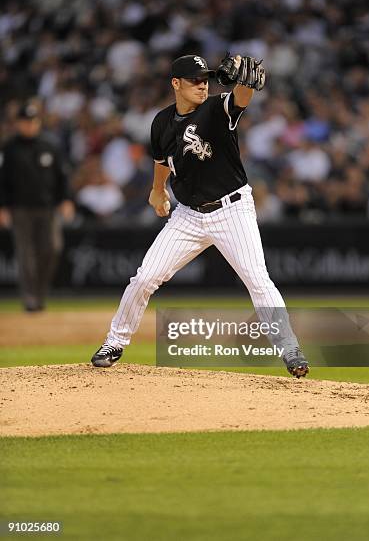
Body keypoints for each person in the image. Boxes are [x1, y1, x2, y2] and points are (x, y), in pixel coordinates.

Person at [91, 54, 309, 377]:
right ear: (175, 84)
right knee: (145, 277)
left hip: (232, 209)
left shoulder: (216, 109)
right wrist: (156, 191)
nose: (202, 83)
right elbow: (161, 161)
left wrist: (244, 82)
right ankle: (114, 341)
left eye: (205, 77)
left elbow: (241, 99)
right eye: (195, 79)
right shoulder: (161, 123)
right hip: (188, 216)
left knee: (258, 280)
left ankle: (289, 347)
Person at [0, 101, 75, 311]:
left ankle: (40, 294)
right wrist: (3, 206)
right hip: (20, 209)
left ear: (38, 122)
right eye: (25, 122)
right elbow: (3, 179)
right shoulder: (10, 148)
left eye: (32, 121)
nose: (29, 125)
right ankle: (30, 299)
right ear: (18, 124)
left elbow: (63, 176)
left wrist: (66, 200)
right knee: (26, 255)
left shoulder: (50, 145)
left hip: (48, 208)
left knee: (52, 249)